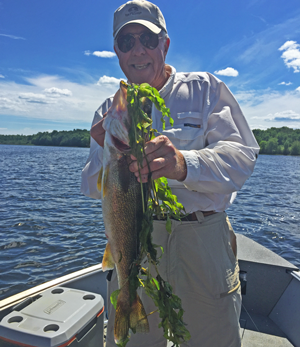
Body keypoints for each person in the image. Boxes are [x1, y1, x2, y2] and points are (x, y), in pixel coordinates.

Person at [81, 1, 259, 346]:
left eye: (147, 40)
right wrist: (103, 151)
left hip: (200, 238)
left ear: (165, 44)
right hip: (132, 243)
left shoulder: (204, 89)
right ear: (116, 50)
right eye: (126, 42)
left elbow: (241, 158)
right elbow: (92, 187)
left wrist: (183, 164)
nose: (138, 51)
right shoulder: (109, 110)